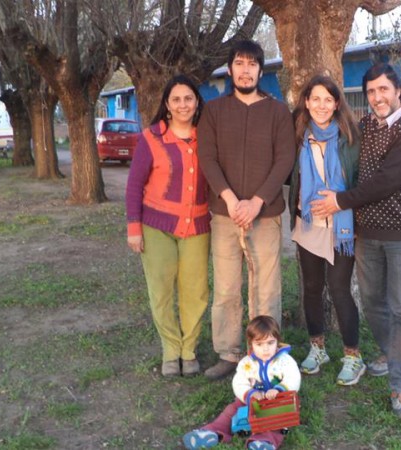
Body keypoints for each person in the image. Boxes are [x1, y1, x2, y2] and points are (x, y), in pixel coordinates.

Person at [311, 63, 401, 418]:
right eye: (371, 92)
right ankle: (390, 353)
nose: (378, 97)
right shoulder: (365, 127)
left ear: (398, 90)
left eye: (383, 90)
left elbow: (386, 181)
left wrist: (340, 201)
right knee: (374, 302)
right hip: (368, 233)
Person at [197, 39, 296, 380]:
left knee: (266, 289)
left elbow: (284, 159)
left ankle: (264, 354)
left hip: (265, 215)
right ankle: (228, 353)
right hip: (225, 215)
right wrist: (230, 199)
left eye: (252, 64)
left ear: (260, 70)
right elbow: (207, 158)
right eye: (239, 63)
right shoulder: (214, 111)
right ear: (230, 69)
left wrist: (256, 201)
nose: (245, 70)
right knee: (226, 288)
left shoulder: (277, 112)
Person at [125, 74, 209, 377]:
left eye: (188, 98)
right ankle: (171, 350)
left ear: (197, 102)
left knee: (195, 291)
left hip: (197, 227)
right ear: (167, 104)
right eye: (176, 99)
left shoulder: (208, 137)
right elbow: (134, 185)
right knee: (161, 290)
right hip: (156, 227)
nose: (183, 105)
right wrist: (134, 228)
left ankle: (189, 350)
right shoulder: (151, 138)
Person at [287, 75, 364, 386]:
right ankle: (317, 348)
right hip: (308, 224)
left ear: (336, 104)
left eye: (328, 100)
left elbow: (361, 182)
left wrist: (356, 219)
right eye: (315, 99)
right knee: (311, 287)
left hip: (342, 227)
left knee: (339, 289)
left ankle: (353, 356)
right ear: (306, 102)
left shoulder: (351, 138)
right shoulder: (297, 137)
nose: (321, 105)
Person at [182, 315, 301, 450]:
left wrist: (279, 389)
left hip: (277, 401)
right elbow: (239, 381)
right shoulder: (247, 363)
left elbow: (293, 377)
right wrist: (249, 393)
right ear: (251, 344)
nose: (265, 349)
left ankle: (263, 442)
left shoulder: (285, 361)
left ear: (277, 341)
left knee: (274, 421)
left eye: (270, 343)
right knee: (231, 411)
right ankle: (212, 432)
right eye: (259, 344)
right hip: (251, 399)